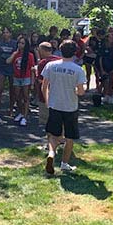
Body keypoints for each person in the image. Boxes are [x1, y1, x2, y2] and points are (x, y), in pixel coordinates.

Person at [42, 40, 87, 174]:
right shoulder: (78, 70)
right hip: (70, 107)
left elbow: (44, 85)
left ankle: (51, 153)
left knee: (52, 135)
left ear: (60, 51)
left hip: (55, 104)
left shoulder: (51, 65)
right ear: (74, 53)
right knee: (69, 137)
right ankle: (64, 163)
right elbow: (80, 92)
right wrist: (79, 90)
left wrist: (47, 100)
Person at [8, 35, 35, 126]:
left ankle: (25, 116)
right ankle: (21, 112)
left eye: (22, 43)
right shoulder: (16, 54)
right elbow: (8, 61)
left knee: (26, 97)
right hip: (16, 77)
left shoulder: (30, 55)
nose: (20, 45)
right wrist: (14, 54)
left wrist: (32, 82)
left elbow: (32, 69)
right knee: (17, 96)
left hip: (26, 77)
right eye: (19, 43)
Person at [35, 42, 61, 130]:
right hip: (58, 93)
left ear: (42, 50)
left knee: (45, 120)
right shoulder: (60, 60)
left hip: (45, 95)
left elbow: (40, 80)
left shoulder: (43, 63)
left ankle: (49, 138)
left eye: (39, 50)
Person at [0, 27, 17, 119]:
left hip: (12, 68)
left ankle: (11, 109)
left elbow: (16, 55)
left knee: (12, 90)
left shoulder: (15, 43)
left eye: (7, 32)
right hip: (1, 67)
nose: (5, 34)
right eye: (4, 32)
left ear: (10, 33)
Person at [96, 34, 113, 104]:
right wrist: (101, 69)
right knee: (104, 82)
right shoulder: (103, 47)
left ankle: (110, 96)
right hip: (104, 67)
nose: (111, 39)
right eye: (110, 38)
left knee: (111, 82)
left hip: (112, 67)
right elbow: (100, 58)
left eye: (112, 38)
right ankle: (102, 96)